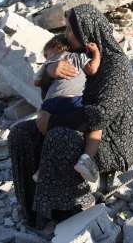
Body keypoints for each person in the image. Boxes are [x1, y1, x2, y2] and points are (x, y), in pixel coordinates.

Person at [9, 4, 133, 229]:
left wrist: (55, 121)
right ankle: (32, 210)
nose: (65, 35)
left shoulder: (116, 65)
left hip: (104, 141)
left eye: (70, 30)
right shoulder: (78, 54)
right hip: (76, 122)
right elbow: (50, 90)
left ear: (85, 30)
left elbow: (101, 116)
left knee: (61, 136)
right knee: (20, 134)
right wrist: (49, 72)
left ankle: (68, 214)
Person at [32, 34, 101, 183]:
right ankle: (86, 160)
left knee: (47, 136)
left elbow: (36, 81)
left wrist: (48, 71)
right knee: (95, 125)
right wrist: (96, 53)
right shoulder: (77, 57)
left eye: (47, 54)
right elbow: (93, 69)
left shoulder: (49, 64)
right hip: (72, 99)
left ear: (57, 47)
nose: (46, 58)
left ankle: (42, 169)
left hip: (48, 104)